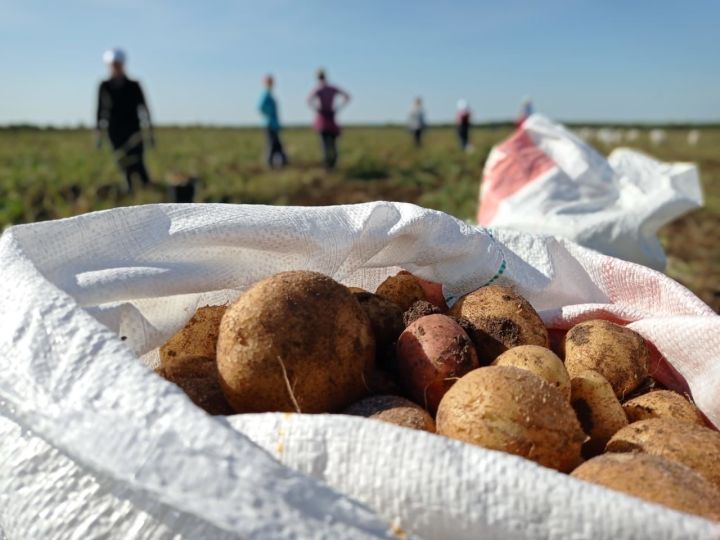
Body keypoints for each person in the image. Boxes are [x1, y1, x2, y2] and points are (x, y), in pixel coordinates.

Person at [96, 48, 154, 193]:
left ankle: (148, 189)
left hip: (134, 130)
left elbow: (145, 109)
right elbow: (99, 110)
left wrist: (150, 132)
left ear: (123, 64)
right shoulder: (104, 86)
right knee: (123, 162)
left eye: (118, 64)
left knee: (138, 160)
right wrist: (98, 133)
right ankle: (130, 191)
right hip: (114, 131)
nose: (115, 66)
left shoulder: (134, 85)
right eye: (113, 64)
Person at [307, 68, 350, 170]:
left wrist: (317, 109)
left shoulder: (319, 89)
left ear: (317, 78)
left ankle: (328, 166)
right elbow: (347, 96)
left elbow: (308, 100)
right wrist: (338, 108)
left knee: (325, 145)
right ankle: (333, 164)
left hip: (322, 118)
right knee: (333, 144)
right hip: (331, 116)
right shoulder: (332, 88)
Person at [258, 74, 288, 168]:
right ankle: (270, 164)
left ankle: (283, 163)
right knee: (272, 145)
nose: (271, 84)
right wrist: (269, 113)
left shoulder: (269, 94)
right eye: (269, 82)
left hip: (273, 124)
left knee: (277, 145)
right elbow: (260, 107)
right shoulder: (266, 94)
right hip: (269, 124)